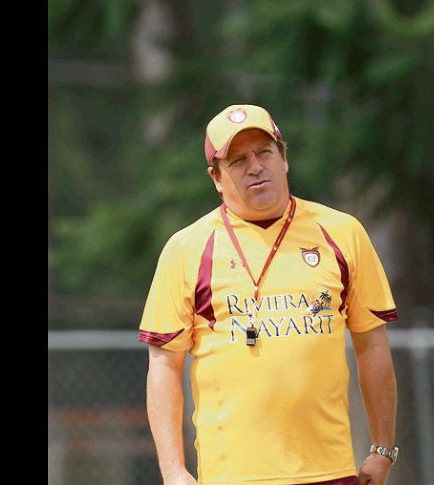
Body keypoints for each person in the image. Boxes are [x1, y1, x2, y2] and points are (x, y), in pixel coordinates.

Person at [139, 104, 400, 485]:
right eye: (238, 160)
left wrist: (382, 448)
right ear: (216, 177)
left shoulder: (341, 233)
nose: (255, 167)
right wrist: (173, 471)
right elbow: (163, 365)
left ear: (284, 158)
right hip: (232, 476)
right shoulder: (187, 248)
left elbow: (371, 344)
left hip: (329, 471)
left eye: (264, 153)